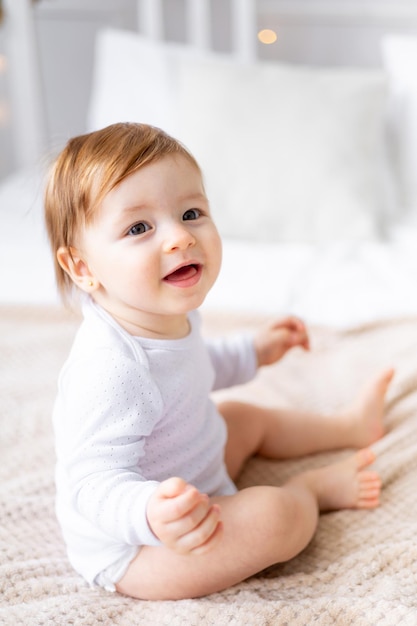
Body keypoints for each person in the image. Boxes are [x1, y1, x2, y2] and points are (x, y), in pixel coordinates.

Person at [44, 122, 393, 601]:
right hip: (138, 549)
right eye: (139, 228)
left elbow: (193, 367)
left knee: (240, 416)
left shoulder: (165, 314)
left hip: (191, 476)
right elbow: (91, 483)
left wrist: (253, 352)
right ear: (82, 268)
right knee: (274, 518)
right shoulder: (110, 369)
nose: (179, 238)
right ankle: (311, 492)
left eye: (190, 213)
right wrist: (148, 511)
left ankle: (348, 428)